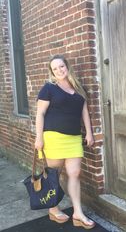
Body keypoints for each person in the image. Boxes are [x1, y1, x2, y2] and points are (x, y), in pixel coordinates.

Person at [34, 54, 95, 229]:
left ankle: (77, 213)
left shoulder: (78, 88)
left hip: (74, 138)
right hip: (53, 137)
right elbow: (40, 113)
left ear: (67, 67)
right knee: (53, 175)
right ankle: (53, 209)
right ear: (51, 72)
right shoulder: (49, 88)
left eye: (61, 66)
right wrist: (39, 137)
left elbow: (84, 111)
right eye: (55, 68)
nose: (59, 70)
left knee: (75, 173)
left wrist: (89, 133)